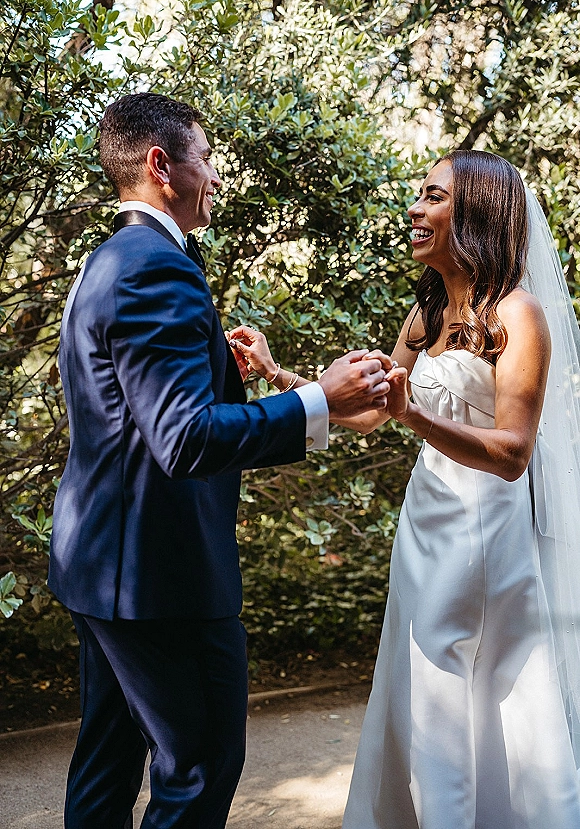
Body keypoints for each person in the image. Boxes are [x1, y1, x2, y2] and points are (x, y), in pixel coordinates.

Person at [48, 92, 391, 829]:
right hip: (157, 579)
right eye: (207, 159)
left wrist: (250, 384)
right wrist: (319, 398)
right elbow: (185, 438)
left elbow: (126, 418)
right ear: (161, 164)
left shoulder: (106, 261)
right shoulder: (153, 268)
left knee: (107, 762)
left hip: (101, 565)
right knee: (198, 768)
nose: (216, 177)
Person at [231, 150, 580, 828]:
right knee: (417, 672)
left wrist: (415, 415)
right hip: (428, 519)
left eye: (433, 197)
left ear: (475, 212)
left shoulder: (520, 315)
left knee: (449, 681)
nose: (414, 210)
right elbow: (367, 411)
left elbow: (512, 454)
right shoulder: (425, 314)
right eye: (417, 196)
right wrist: (278, 375)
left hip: (483, 530)